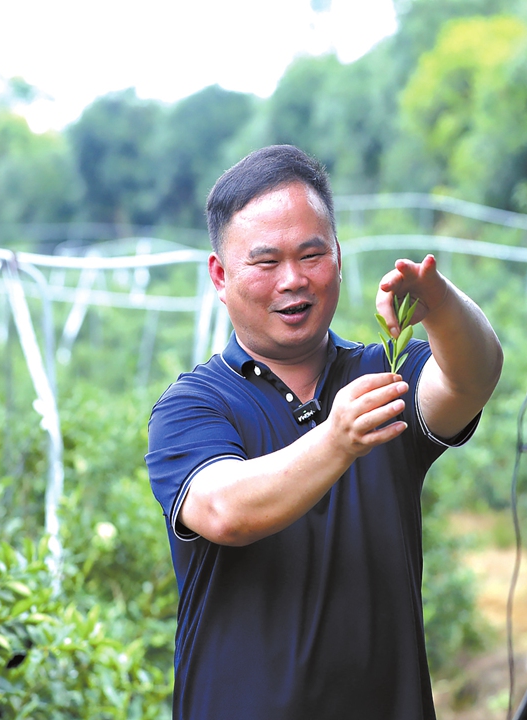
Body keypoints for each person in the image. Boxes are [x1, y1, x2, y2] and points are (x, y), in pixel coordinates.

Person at [145, 144, 503, 720]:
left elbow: (472, 377)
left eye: (312, 254)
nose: (294, 280)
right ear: (220, 274)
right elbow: (224, 510)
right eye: (266, 262)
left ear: (337, 256)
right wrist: (336, 440)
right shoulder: (193, 406)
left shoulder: (383, 376)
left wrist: (439, 304)